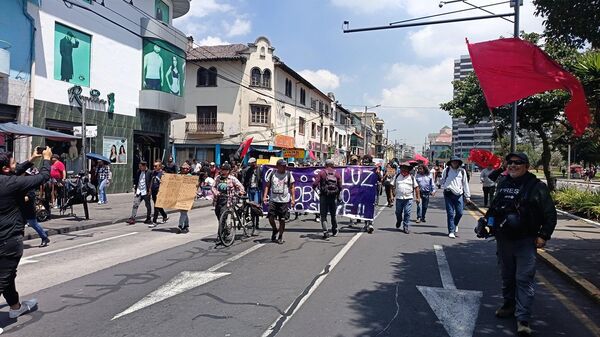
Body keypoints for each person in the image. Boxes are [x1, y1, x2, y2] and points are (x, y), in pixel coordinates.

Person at [485, 153, 556, 336]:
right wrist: (486, 223)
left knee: (523, 279)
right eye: (510, 162)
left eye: (518, 163)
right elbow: (494, 208)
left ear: (526, 165)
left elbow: (550, 214)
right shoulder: (503, 184)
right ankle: (509, 305)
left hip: (525, 241)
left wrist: (543, 235)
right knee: (507, 277)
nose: (513, 166)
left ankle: (523, 318)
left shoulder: (536, 187)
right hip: (504, 239)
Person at [0, 147, 52, 323]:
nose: (17, 165)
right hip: (9, 240)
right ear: (6, 169)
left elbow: (15, 171)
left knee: (7, 277)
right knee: (3, 279)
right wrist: (46, 159)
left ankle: (15, 308)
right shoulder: (12, 184)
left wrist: (31, 159)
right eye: (13, 162)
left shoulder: (7, 180)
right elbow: (43, 177)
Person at [263, 159, 295, 244]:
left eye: (285, 166)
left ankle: (280, 236)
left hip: (284, 201)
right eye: (282, 166)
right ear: (277, 166)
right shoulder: (272, 174)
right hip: (273, 199)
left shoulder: (288, 174)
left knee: (282, 219)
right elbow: (267, 185)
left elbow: (292, 187)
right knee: (270, 217)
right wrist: (265, 196)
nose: (284, 167)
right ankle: (274, 229)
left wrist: (293, 199)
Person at [440, 156, 471, 238]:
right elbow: (442, 181)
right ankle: (451, 231)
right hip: (448, 194)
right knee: (450, 213)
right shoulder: (446, 170)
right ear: (450, 163)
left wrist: (467, 196)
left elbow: (465, 184)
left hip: (458, 194)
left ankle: (455, 224)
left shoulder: (462, 171)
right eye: (453, 162)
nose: (455, 163)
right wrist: (439, 181)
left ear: (459, 163)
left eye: (456, 162)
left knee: (460, 212)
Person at [313, 159, 342, 239]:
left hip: (324, 196)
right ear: (333, 165)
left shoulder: (322, 173)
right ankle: (335, 230)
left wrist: (318, 192)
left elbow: (315, 184)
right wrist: (337, 194)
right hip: (333, 197)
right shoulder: (337, 174)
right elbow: (340, 187)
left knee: (323, 215)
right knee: (333, 215)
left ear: (325, 165)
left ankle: (326, 232)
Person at [22, 167, 51, 247]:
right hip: (19, 208)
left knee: (33, 223)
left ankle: (44, 237)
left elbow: (30, 195)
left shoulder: (29, 183)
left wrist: (20, 199)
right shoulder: (19, 181)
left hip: (28, 208)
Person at [394, 162, 420, 234]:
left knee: (407, 212)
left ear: (408, 169)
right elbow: (392, 186)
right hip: (399, 198)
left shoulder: (411, 177)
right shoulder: (397, 176)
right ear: (401, 168)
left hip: (408, 198)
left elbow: (416, 187)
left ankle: (406, 226)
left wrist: (418, 197)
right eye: (403, 167)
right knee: (398, 212)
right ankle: (399, 220)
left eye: (406, 168)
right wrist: (391, 196)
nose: (404, 169)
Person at [126, 161, 152, 225]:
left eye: (141, 166)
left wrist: (150, 190)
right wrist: (135, 187)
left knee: (148, 205)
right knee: (135, 204)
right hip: (139, 191)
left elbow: (151, 182)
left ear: (144, 166)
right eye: (139, 166)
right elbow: (136, 180)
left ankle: (148, 218)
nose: (140, 168)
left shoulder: (149, 172)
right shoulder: (138, 172)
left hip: (146, 192)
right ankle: (132, 218)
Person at [242, 157, 261, 230]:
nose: (251, 165)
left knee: (256, 207)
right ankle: (253, 223)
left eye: (252, 163)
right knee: (252, 207)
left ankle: (257, 223)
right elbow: (245, 180)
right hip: (250, 189)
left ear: (255, 162)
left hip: (257, 190)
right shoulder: (248, 170)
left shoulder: (260, 169)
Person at [149, 160, 168, 227]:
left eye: (155, 166)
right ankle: (165, 216)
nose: (154, 167)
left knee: (156, 206)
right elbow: (151, 181)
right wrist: (150, 189)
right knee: (158, 205)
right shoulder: (153, 173)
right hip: (154, 191)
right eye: (153, 166)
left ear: (160, 167)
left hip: (159, 191)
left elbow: (165, 184)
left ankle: (154, 221)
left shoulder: (162, 174)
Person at [177, 162, 194, 234]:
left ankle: (180, 226)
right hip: (180, 195)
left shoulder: (190, 176)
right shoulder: (179, 175)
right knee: (182, 212)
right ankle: (186, 225)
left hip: (187, 196)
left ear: (188, 169)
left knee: (183, 212)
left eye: (186, 168)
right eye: (183, 168)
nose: (184, 170)